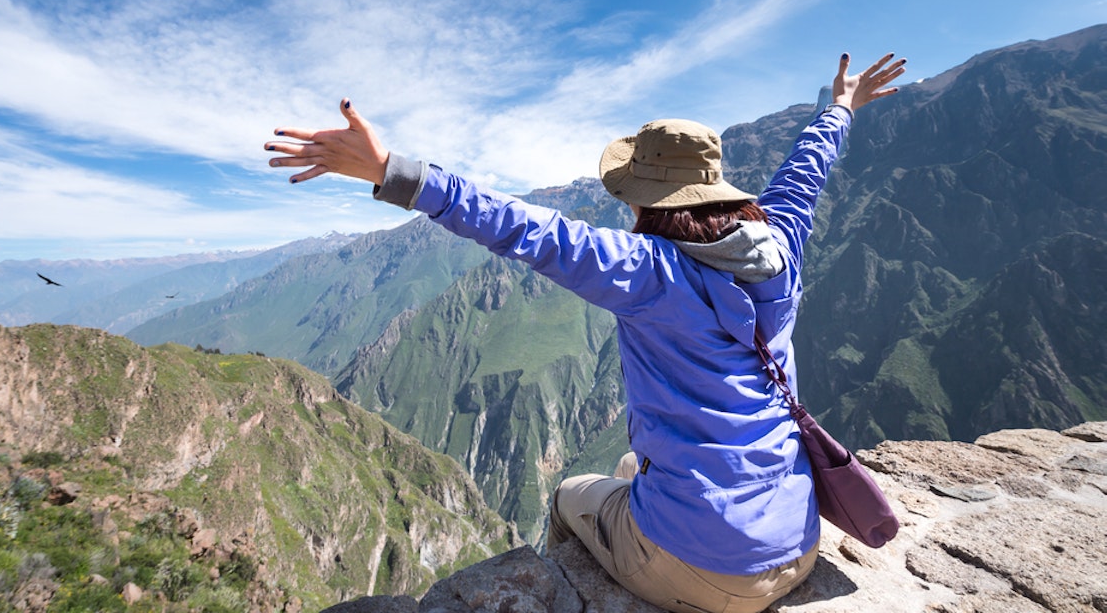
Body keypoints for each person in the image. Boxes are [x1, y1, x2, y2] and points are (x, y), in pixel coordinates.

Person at [265, 52, 906, 613]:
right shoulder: (781, 243)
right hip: (798, 545)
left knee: (573, 492)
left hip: (706, 574)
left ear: (647, 199)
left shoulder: (647, 272)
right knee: (632, 468)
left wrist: (390, 170)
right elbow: (805, 173)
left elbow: (524, 229)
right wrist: (840, 108)